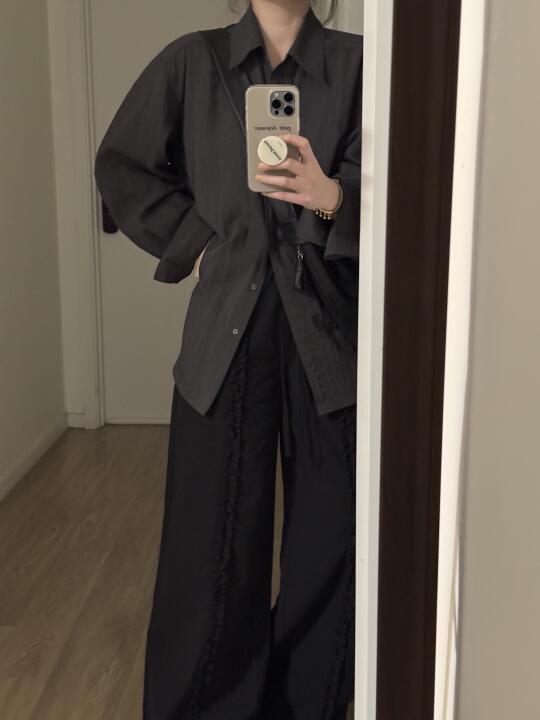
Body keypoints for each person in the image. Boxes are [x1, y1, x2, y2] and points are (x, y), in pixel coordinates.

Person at [93, 1, 362, 718]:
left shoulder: (359, 66)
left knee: (334, 537)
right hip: (225, 332)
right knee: (210, 542)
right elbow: (122, 164)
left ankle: (306, 704)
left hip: (328, 331)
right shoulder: (193, 60)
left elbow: (404, 192)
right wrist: (197, 244)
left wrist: (333, 197)